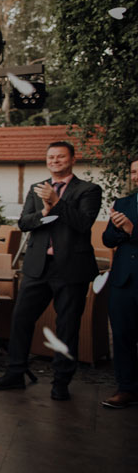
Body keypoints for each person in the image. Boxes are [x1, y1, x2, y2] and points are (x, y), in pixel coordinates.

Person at [0, 141, 102, 401]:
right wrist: (45, 211)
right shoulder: (35, 188)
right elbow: (24, 222)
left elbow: (83, 224)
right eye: (51, 157)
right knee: (21, 319)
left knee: (67, 326)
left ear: (72, 159)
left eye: (60, 157)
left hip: (71, 269)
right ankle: (15, 373)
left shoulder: (89, 190)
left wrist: (57, 202)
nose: (55, 161)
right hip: (37, 267)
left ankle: (61, 382)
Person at [100, 156, 138, 409]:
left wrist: (132, 230)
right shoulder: (123, 203)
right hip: (124, 280)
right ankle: (126, 388)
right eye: (134, 172)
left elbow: (128, 231)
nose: (136, 176)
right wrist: (120, 230)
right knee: (122, 336)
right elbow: (107, 239)